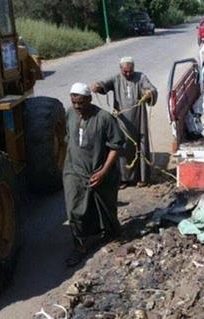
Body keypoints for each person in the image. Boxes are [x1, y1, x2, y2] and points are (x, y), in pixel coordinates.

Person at [63, 83, 125, 267]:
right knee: (74, 209)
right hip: (74, 171)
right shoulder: (70, 114)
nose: (77, 107)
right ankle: (80, 247)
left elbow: (116, 146)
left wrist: (104, 171)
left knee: (105, 207)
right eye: (74, 102)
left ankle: (110, 232)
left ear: (89, 99)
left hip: (99, 171)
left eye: (80, 102)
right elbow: (69, 139)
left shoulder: (104, 118)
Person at [90, 57, 158, 189]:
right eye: (125, 71)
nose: (128, 74)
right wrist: (97, 87)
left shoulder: (141, 77)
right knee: (121, 147)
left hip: (139, 119)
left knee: (141, 146)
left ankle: (142, 178)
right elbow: (103, 85)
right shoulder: (116, 78)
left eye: (130, 71)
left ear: (134, 68)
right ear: (120, 69)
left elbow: (151, 88)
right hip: (121, 121)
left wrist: (149, 93)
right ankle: (123, 179)